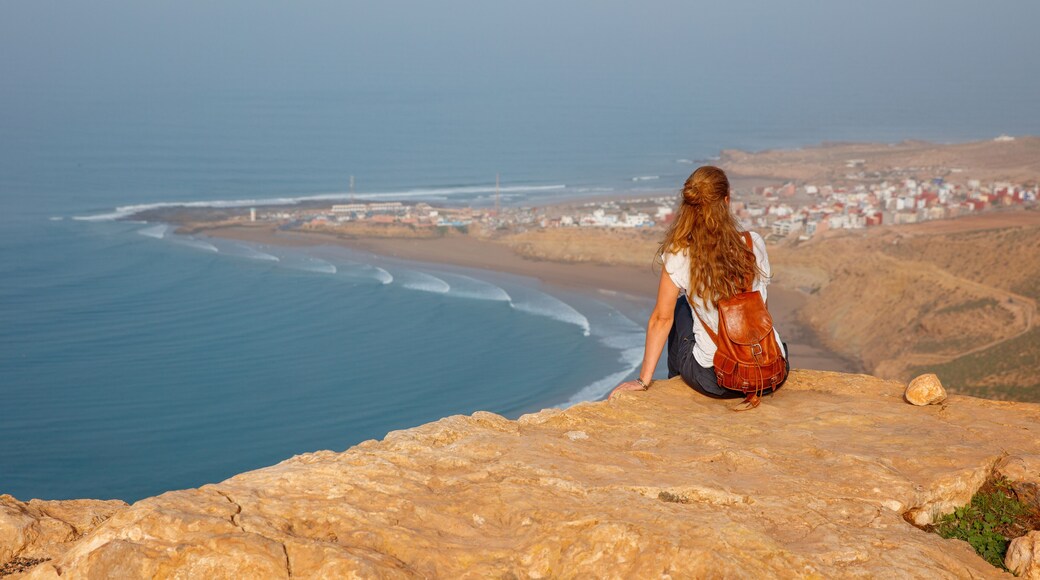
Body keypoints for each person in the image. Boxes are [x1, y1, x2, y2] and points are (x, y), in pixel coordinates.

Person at [609, 166, 788, 408]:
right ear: (726, 200)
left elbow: (661, 319)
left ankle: (674, 386)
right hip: (771, 371)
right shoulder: (752, 242)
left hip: (717, 380)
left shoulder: (680, 253)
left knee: (680, 307)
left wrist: (643, 380)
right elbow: (760, 308)